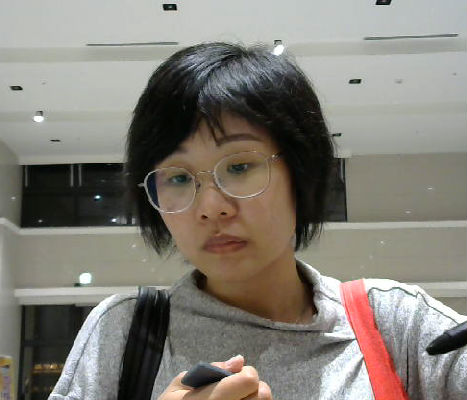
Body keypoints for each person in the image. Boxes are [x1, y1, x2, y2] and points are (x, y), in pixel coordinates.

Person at [49, 42, 467, 400]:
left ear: (301, 173)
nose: (211, 206)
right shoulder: (125, 332)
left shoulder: (395, 324)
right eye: (178, 177)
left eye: (239, 167)